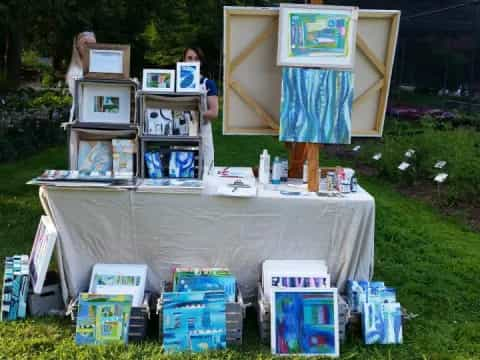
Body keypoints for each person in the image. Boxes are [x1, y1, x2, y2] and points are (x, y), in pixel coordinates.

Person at [183, 47, 219, 174]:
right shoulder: (176, 83)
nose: (193, 62)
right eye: (189, 58)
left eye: (196, 59)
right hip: (180, 136)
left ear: (201, 62)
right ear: (184, 60)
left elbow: (214, 112)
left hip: (202, 135)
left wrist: (195, 115)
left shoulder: (208, 84)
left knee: (204, 175)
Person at [65, 32, 96, 122]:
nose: (89, 46)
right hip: (80, 117)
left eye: (93, 44)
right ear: (78, 46)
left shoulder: (99, 67)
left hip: (98, 115)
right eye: (85, 43)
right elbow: (79, 94)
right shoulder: (75, 70)